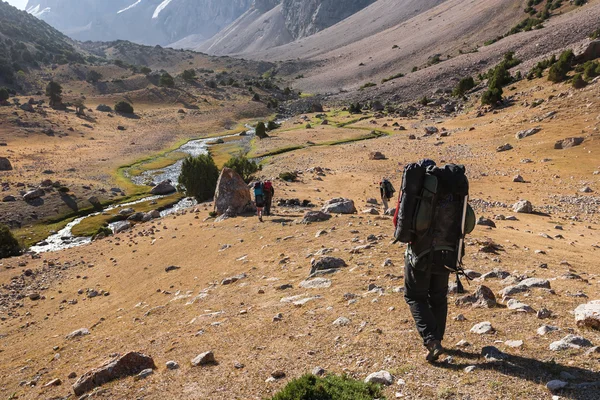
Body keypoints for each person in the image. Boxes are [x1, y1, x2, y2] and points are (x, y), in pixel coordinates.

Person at [400, 159, 475, 362]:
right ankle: (437, 340)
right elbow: (468, 224)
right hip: (448, 252)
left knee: (415, 296)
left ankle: (432, 341)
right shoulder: (454, 189)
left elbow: (402, 219)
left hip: (420, 252)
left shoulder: (422, 190)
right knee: (438, 297)